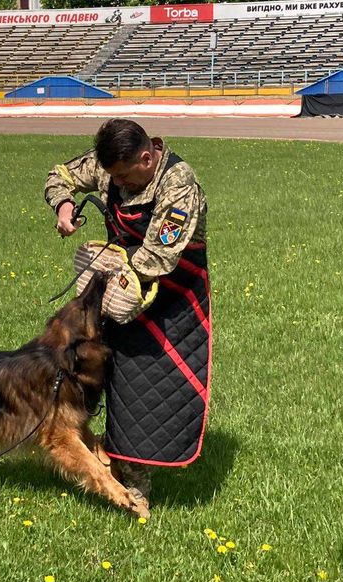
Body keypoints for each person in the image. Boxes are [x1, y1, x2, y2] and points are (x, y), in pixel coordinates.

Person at [44, 118, 212, 513]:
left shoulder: (179, 184)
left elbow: (158, 256)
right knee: (105, 373)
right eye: (111, 177)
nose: (119, 184)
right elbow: (61, 174)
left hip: (171, 292)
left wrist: (109, 269)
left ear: (146, 156)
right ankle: (107, 453)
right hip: (116, 288)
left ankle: (136, 483)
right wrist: (64, 205)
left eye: (125, 176)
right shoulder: (112, 166)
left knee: (146, 386)